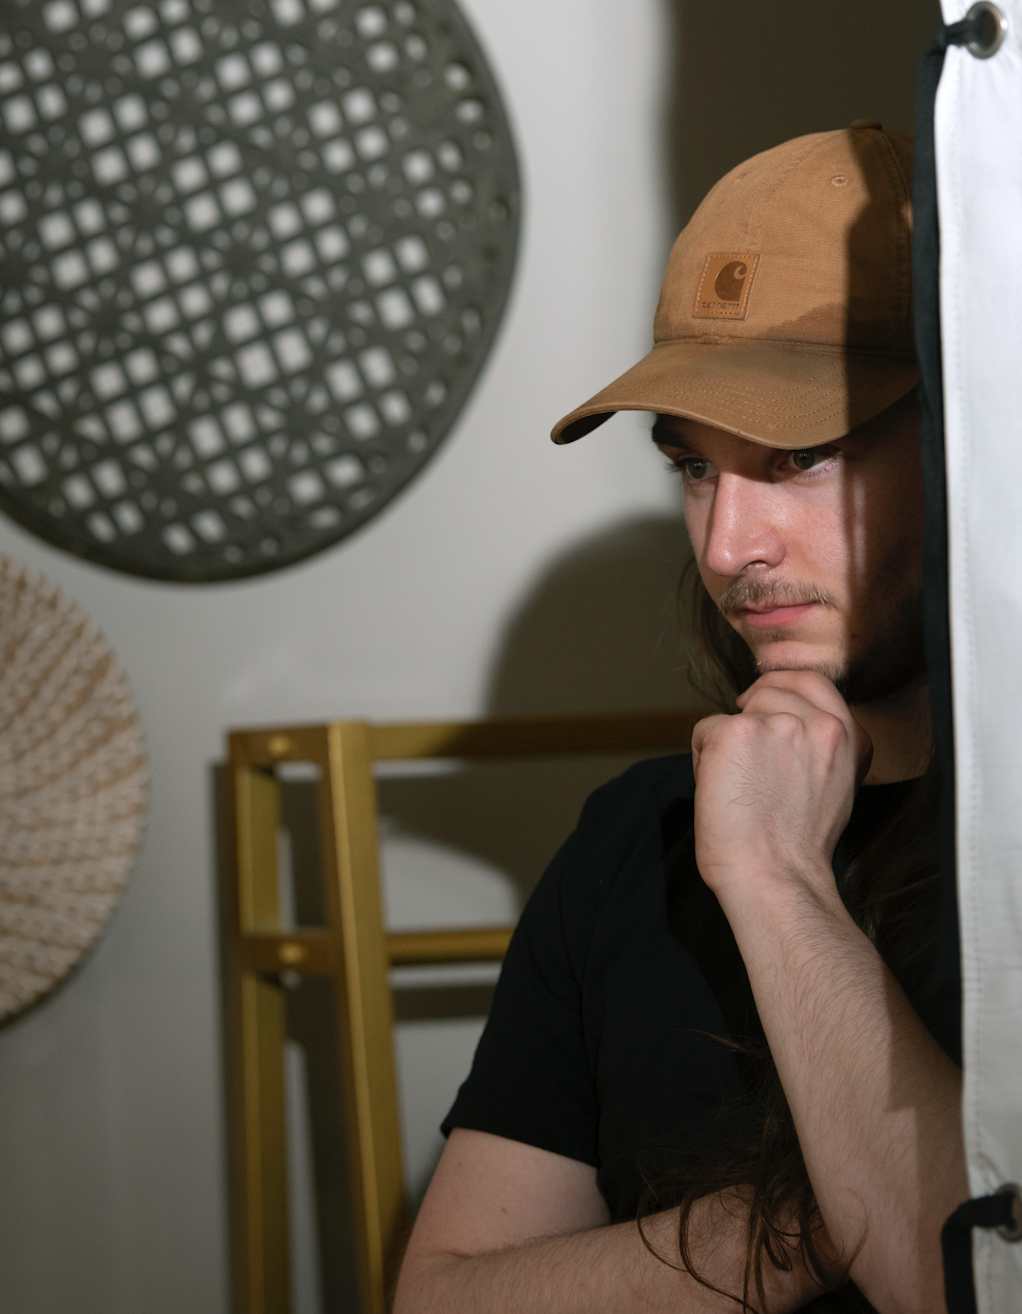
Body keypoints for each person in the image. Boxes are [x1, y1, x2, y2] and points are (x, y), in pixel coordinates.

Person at [393, 124, 967, 1314]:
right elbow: (439, 1300)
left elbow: (966, 1283)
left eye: (801, 456)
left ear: (969, 437)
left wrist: (774, 881)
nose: (725, 546)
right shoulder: (633, 840)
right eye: (694, 469)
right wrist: (818, 1210)